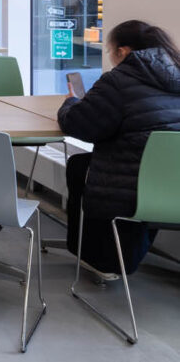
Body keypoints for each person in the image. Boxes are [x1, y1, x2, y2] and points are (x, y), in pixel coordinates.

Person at [58, 21, 180, 278]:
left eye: (110, 50)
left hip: (135, 191)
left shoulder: (118, 81)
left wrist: (71, 102)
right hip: (173, 185)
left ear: (123, 51)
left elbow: (79, 124)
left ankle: (100, 260)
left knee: (80, 166)